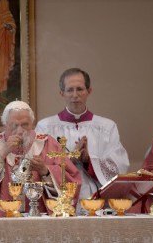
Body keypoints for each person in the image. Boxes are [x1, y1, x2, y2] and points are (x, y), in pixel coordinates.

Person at [35, 68, 130, 214]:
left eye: (80, 89)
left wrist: (88, 161)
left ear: (89, 91)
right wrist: (70, 160)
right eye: (69, 90)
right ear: (62, 93)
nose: (75, 95)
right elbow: (39, 165)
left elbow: (119, 166)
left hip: (96, 202)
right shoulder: (45, 127)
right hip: (59, 200)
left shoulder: (106, 126)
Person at [0, 100, 81, 214]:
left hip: (40, 217)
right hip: (3, 216)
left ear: (32, 124)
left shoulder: (48, 144)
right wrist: (3, 152)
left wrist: (45, 171)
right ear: (5, 125)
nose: (19, 131)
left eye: (25, 125)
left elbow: (71, 179)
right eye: (13, 126)